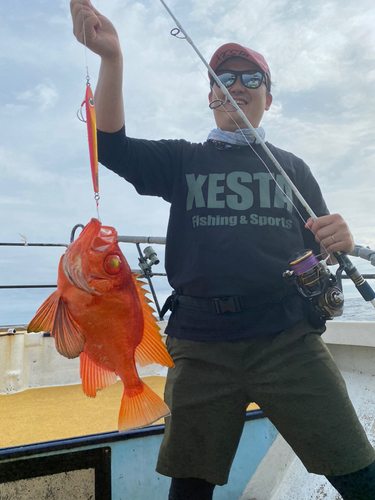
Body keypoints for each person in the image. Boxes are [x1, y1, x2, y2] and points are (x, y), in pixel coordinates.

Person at [70, 2, 375, 499]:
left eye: (250, 78)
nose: (235, 85)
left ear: (268, 98)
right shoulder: (183, 160)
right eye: (223, 78)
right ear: (210, 96)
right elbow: (111, 145)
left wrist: (337, 240)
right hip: (200, 344)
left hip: (288, 340)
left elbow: (319, 255)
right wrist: (111, 60)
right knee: (189, 486)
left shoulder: (293, 170)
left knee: (358, 470)